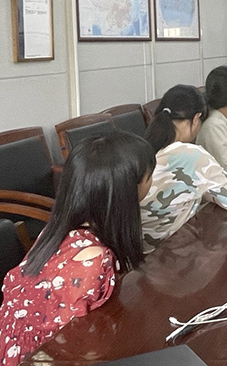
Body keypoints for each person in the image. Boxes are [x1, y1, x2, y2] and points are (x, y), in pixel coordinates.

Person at [1, 133, 155, 366]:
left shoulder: (56, 232)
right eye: (150, 176)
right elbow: (78, 347)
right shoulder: (92, 260)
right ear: (128, 189)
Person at [140, 85, 227, 254]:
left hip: (140, 253)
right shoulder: (191, 155)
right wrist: (204, 188)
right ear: (196, 119)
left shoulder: (141, 148)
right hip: (171, 252)